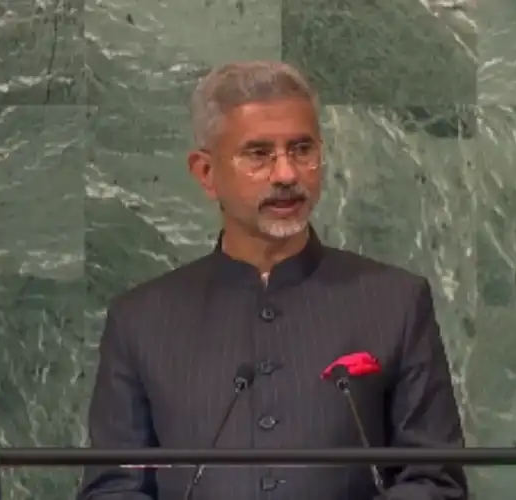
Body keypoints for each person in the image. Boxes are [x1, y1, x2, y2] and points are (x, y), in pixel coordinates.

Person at [77, 60, 469, 500]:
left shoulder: (395, 302)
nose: (286, 174)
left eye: (302, 149)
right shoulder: (141, 320)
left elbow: (435, 481)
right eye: (258, 154)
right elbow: (113, 489)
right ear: (206, 174)